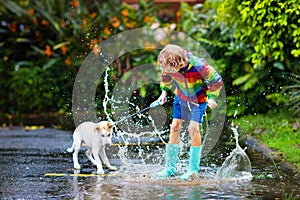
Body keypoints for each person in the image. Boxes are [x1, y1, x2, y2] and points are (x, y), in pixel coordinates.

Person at [152, 44, 222, 180]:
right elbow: (165, 76)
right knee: (174, 126)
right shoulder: (169, 65)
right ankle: (170, 168)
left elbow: (216, 80)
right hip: (181, 97)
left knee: (193, 128)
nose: (167, 70)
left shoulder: (200, 66)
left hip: (199, 99)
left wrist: (212, 97)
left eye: (170, 69)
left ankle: (192, 170)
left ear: (181, 62)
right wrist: (163, 93)